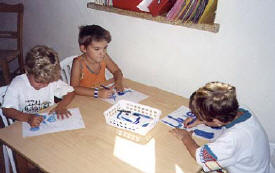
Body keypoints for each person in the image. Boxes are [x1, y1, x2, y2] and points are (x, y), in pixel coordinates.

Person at [170, 81, 270, 173]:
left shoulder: (233, 139)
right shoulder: (241, 110)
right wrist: (201, 119)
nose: (201, 119)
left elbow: (200, 157)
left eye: (203, 118)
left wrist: (185, 137)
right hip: (258, 166)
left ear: (217, 121)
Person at [2, 45, 75, 128]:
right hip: (24, 124)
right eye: (38, 82)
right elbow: (6, 110)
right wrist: (28, 118)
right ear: (27, 71)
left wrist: (61, 106)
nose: (44, 85)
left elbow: (70, 92)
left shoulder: (49, 79)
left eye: (47, 82)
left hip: (45, 124)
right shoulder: (17, 84)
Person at [70, 24, 123, 99]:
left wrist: (118, 82)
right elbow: (74, 88)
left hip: (101, 95)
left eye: (104, 48)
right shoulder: (78, 63)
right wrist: (97, 93)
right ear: (84, 48)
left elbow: (117, 71)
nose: (102, 53)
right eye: (97, 49)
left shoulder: (104, 57)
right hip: (85, 98)